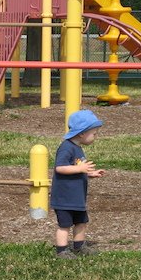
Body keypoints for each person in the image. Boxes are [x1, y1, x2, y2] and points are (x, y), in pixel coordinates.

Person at [50, 110, 106, 259]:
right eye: (94, 134)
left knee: (81, 222)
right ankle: (61, 251)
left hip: (77, 198)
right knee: (65, 225)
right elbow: (60, 168)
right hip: (64, 198)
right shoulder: (66, 147)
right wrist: (80, 168)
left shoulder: (77, 148)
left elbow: (74, 169)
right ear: (82, 133)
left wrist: (88, 173)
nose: (95, 137)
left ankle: (78, 246)